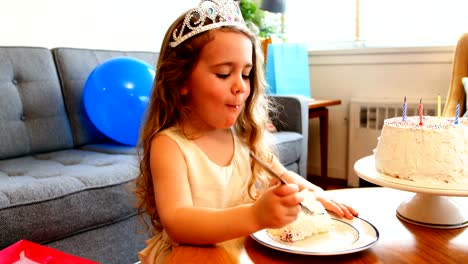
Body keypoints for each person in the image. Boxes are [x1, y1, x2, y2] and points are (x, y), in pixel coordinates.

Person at [134, 0, 358, 263]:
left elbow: (283, 175)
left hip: (240, 252)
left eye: (246, 74)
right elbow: (179, 222)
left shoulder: (243, 136)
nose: (240, 86)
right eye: (223, 73)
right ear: (181, 80)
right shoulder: (170, 144)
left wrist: (315, 193)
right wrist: (254, 215)